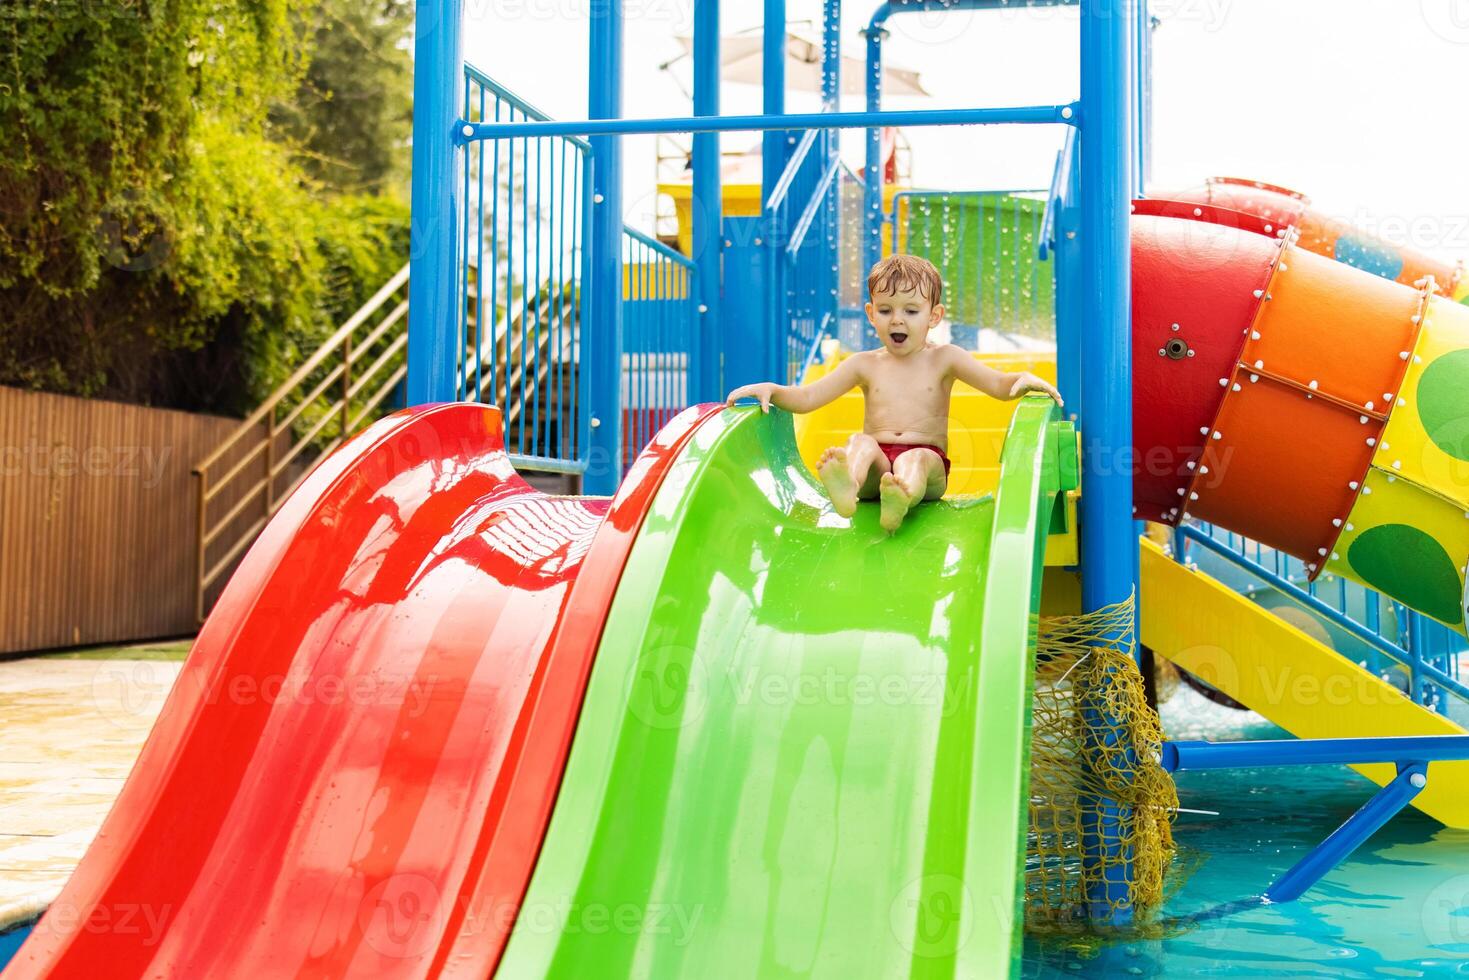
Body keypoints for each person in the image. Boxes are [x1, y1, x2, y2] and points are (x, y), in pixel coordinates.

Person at [724, 254, 1062, 533]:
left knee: (913, 459)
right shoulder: (863, 364)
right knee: (860, 443)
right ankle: (849, 487)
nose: (897, 320)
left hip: (928, 465)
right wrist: (772, 389)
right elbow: (809, 398)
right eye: (886, 310)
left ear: (934, 316)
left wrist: (1022, 380)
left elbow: (998, 385)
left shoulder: (946, 358)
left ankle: (902, 496)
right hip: (877, 467)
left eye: (911, 311)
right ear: (872, 314)